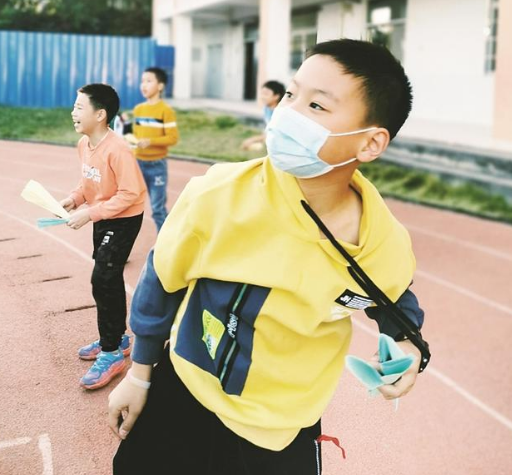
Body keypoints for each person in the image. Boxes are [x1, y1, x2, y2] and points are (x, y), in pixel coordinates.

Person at [108, 39, 429, 474]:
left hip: (281, 429)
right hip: (185, 390)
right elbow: (161, 281)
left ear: (370, 143)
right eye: (292, 95)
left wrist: (408, 348)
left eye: (317, 106)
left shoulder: (379, 242)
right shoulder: (217, 195)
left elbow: (392, 300)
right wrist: (139, 373)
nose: (289, 113)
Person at [60, 83, 147, 390]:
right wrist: (75, 199)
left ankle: (111, 354)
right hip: (103, 215)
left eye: (79, 107)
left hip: (122, 219)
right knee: (104, 279)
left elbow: (131, 193)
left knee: (103, 279)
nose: (73, 112)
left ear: (100, 114)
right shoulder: (85, 145)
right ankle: (116, 338)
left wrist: (91, 213)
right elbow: (89, 183)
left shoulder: (118, 149)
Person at [131, 67, 179, 233]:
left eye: (149, 81)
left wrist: (150, 142)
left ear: (160, 86)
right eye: (142, 81)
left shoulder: (166, 111)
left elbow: (172, 138)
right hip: (137, 164)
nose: (143, 85)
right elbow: (136, 135)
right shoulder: (138, 109)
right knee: (130, 207)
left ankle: (167, 245)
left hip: (157, 166)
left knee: (157, 209)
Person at [240, 80, 286, 151]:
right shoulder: (267, 108)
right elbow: (267, 130)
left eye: (266, 94)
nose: (262, 97)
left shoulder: (280, 113)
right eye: (262, 93)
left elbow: (275, 135)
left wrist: (253, 140)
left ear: (276, 96)